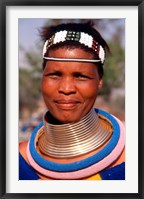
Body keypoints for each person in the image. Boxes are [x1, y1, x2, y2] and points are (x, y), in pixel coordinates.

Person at [19, 21, 125, 180]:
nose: (66, 88)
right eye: (55, 74)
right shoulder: (17, 162)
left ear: (99, 81)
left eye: (81, 76)